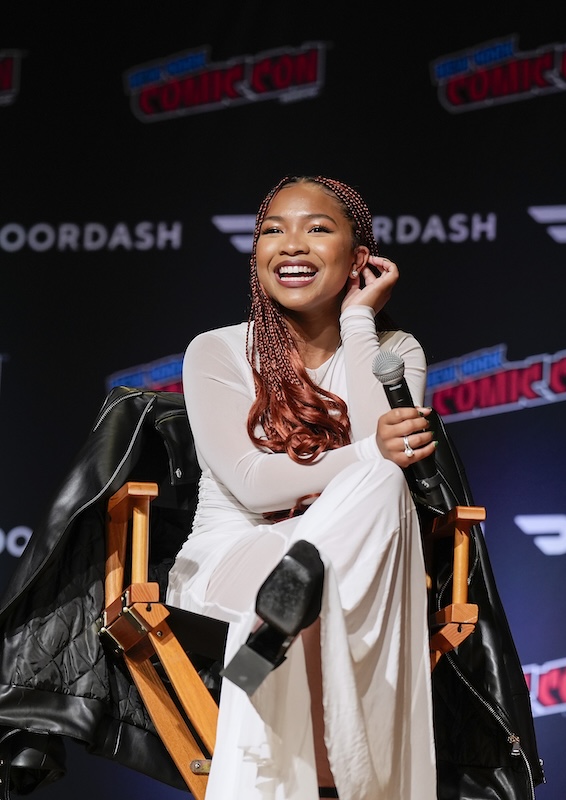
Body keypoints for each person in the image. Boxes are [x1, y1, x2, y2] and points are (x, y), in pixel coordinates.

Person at [167, 175, 438, 799]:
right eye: (272, 229)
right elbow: (255, 484)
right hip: (237, 555)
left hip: (350, 567)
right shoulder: (218, 351)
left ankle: (292, 599)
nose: (291, 244)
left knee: (378, 487)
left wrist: (359, 320)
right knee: (372, 476)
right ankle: (298, 587)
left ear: (358, 256)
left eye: (317, 228)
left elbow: (383, 465)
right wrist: (375, 452)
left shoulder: (395, 348)